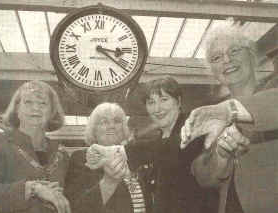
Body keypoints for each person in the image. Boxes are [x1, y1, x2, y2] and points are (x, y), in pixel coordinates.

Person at [85, 77, 250, 213]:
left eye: (164, 100)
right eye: (151, 102)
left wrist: (121, 151)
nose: (157, 109)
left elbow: (176, 148)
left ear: (178, 101)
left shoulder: (193, 124)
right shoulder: (160, 136)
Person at [181, 23, 278, 213]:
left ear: (251, 56)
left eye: (234, 51)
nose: (227, 59)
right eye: (217, 57)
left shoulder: (271, 89)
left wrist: (229, 110)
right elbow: (203, 176)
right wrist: (221, 156)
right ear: (214, 72)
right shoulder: (208, 117)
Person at [0, 81, 71, 213]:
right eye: (28, 102)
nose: (35, 108)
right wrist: (32, 189)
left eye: (43, 103)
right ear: (17, 109)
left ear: (52, 112)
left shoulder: (62, 155)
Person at [64, 103, 153, 213]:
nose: (112, 126)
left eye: (117, 121)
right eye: (104, 122)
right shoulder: (82, 158)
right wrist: (110, 181)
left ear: (124, 128)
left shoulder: (132, 156)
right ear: (94, 130)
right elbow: (78, 207)